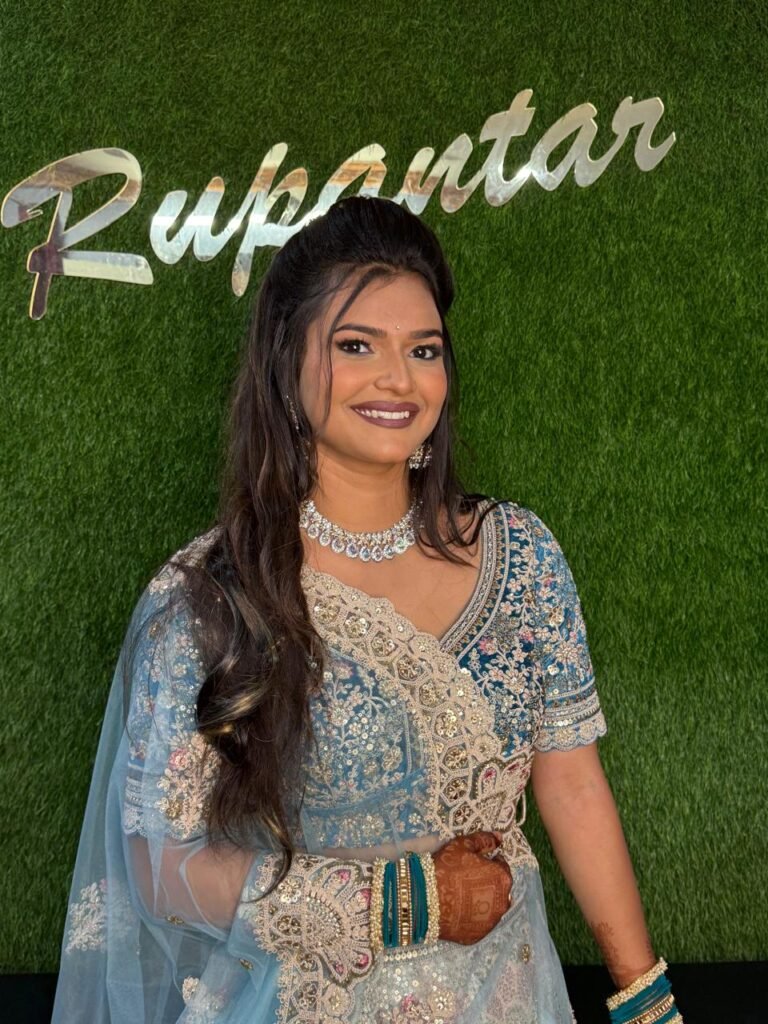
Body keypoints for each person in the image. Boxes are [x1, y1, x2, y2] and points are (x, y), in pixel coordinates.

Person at [51, 196, 682, 1024]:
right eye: (357, 346)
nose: (399, 379)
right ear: (287, 365)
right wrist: (407, 900)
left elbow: (571, 782)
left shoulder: (520, 556)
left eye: (424, 349)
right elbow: (159, 870)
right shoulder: (211, 596)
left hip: (505, 997)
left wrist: (647, 1002)